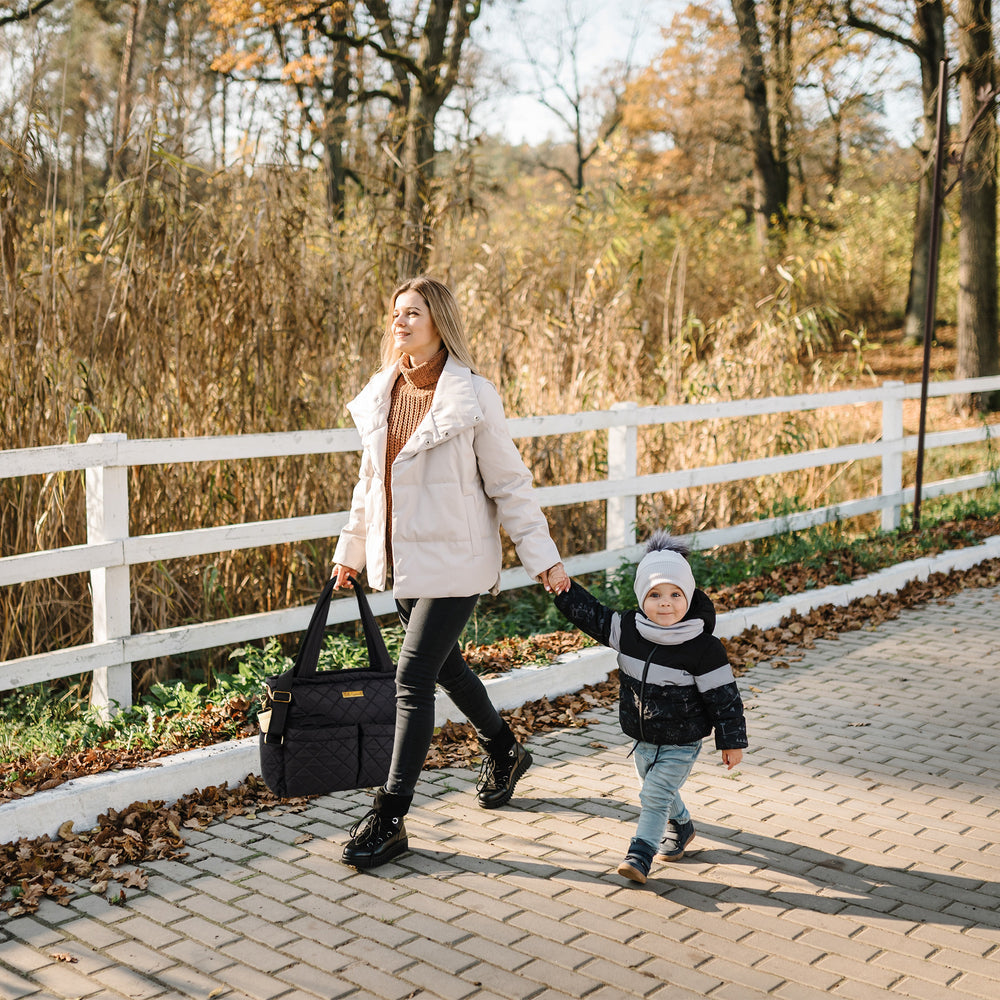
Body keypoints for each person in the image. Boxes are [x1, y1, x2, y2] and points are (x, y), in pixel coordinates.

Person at [331, 275, 571, 870]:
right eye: (395, 314)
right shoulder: (382, 393)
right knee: (446, 667)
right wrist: (350, 552)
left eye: (412, 313)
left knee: (411, 676)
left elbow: (509, 484)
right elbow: (371, 485)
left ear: (440, 321)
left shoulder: (473, 395)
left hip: (459, 563)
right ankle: (503, 747)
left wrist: (543, 558)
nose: (400, 323)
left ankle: (390, 816)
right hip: (405, 562)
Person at [552, 532, 747, 884]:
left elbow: (725, 697)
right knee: (657, 788)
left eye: (675, 594)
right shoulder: (628, 629)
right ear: (643, 597)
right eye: (655, 595)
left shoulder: (703, 648)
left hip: (682, 741)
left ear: (688, 596)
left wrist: (731, 740)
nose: (666, 603)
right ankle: (683, 825)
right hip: (642, 736)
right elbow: (590, 615)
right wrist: (564, 589)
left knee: (654, 794)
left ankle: (640, 855)